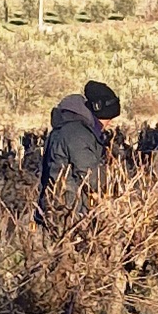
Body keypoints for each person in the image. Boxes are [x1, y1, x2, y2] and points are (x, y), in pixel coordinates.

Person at [41, 76, 121, 217]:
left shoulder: (69, 128)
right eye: (109, 118)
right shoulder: (76, 134)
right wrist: (114, 184)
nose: (110, 123)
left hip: (59, 207)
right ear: (99, 112)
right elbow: (90, 177)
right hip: (69, 212)